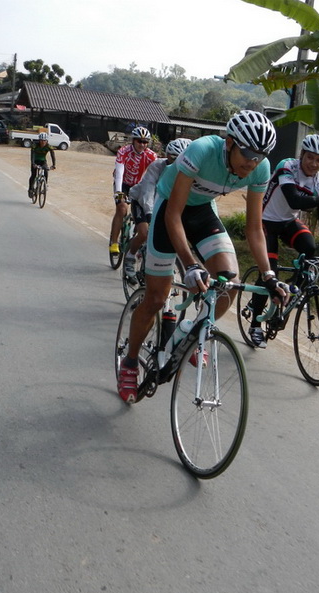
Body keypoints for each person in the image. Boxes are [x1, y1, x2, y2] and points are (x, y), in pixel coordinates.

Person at [117, 110, 287, 404]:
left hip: (203, 211)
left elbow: (254, 228)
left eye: (260, 156)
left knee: (228, 283)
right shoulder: (202, 150)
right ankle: (130, 362)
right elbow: (173, 214)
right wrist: (191, 265)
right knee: (156, 298)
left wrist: (269, 275)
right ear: (230, 142)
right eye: (248, 153)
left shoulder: (260, 168)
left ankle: (190, 330)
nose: (252, 162)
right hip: (171, 209)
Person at [247, 133, 319, 347]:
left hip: (288, 222)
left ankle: (292, 293)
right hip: (265, 221)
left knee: (309, 247)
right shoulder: (287, 166)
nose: (313, 164)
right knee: (268, 272)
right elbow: (294, 199)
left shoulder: (317, 180)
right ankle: (255, 325)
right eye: (310, 157)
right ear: (302, 154)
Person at [123, 137, 192, 282]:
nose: (176, 164)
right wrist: (149, 214)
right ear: (167, 156)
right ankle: (130, 257)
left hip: (163, 204)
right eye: (173, 159)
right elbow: (147, 192)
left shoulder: (187, 172)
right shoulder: (157, 166)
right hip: (141, 200)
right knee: (144, 233)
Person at [109, 126, 158, 256]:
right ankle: (114, 242)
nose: (142, 145)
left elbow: (156, 175)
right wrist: (119, 192)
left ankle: (137, 237)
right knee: (122, 208)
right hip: (123, 183)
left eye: (145, 142)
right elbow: (119, 172)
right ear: (133, 141)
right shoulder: (124, 151)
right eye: (139, 141)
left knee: (145, 212)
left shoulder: (151, 156)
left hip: (138, 186)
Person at [28, 132, 57, 199]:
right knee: (33, 175)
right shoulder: (35, 145)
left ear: (46, 141)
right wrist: (33, 164)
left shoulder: (48, 146)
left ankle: (45, 184)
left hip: (43, 161)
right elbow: (32, 155)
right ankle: (30, 189)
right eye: (41, 140)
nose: (43, 142)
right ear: (39, 140)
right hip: (35, 161)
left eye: (44, 141)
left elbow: (52, 155)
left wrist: (54, 165)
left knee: (46, 170)